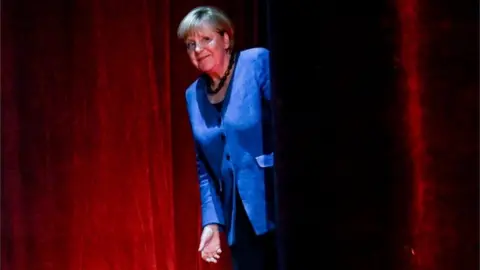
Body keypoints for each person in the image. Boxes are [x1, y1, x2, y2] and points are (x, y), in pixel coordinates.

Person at [177, 6, 277, 270]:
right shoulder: (193, 95)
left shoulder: (256, 63)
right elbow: (204, 169)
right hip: (239, 220)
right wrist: (211, 222)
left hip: (275, 202)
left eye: (206, 39)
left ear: (226, 39)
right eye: (190, 44)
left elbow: (289, 126)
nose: (198, 49)